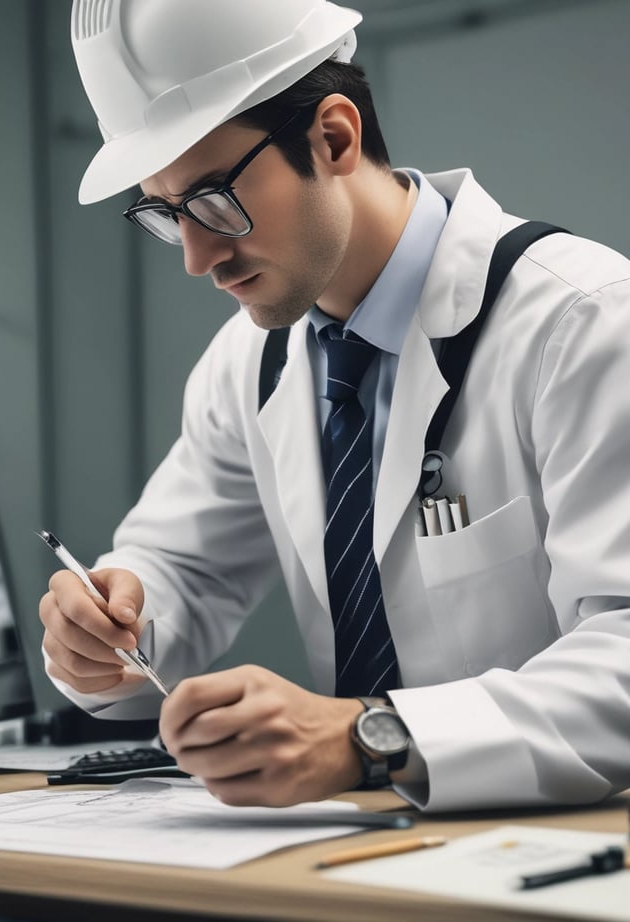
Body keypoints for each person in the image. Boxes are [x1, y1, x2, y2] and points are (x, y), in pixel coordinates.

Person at [40, 0, 630, 811]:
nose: (197, 257)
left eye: (213, 201)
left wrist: (371, 738)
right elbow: (179, 570)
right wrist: (108, 632)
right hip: (359, 852)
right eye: (168, 214)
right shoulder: (249, 362)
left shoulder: (585, 323)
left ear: (334, 137)